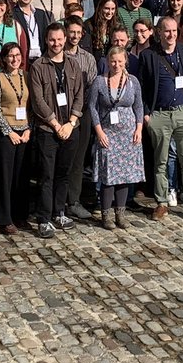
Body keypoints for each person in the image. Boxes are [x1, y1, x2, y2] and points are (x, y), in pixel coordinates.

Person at [139, 16, 183, 222]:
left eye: (174, 31)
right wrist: (147, 115)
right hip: (159, 114)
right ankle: (162, 202)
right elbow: (141, 87)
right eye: (167, 31)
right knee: (160, 161)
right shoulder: (148, 55)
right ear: (159, 32)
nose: (171, 35)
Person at [29, 22, 86, 238]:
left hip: (71, 128)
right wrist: (56, 124)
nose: (56, 43)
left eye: (59, 39)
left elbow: (80, 95)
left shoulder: (73, 65)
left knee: (64, 173)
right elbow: (38, 100)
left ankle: (59, 211)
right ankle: (43, 218)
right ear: (46, 40)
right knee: (47, 174)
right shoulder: (38, 67)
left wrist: (71, 123)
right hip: (48, 129)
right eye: (52, 39)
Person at [88, 45, 146, 230]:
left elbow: (138, 106)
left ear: (125, 61)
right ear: (107, 61)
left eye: (120, 61)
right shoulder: (99, 81)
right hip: (107, 134)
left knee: (125, 176)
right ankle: (106, 215)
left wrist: (139, 129)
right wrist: (99, 131)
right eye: (113, 61)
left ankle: (120, 214)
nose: (116, 64)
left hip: (128, 135)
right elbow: (92, 108)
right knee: (108, 176)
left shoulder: (133, 81)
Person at [0, 43, 31, 234]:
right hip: (6, 133)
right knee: (5, 177)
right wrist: (9, 131)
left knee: (22, 177)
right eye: (10, 56)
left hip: (25, 132)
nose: (15, 59)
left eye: (17, 55)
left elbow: (31, 105)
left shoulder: (26, 76)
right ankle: (4, 218)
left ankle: (20, 215)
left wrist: (28, 128)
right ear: (4, 59)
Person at [63, 16, 98, 219]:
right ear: (66, 31)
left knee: (78, 158)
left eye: (78, 33)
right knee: (61, 159)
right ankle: (58, 202)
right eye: (72, 32)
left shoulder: (88, 58)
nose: (75, 36)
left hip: (82, 113)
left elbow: (92, 87)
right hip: (62, 113)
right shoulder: (57, 55)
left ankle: (73, 201)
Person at [13, 0, 52, 65]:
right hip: (23, 61)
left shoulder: (40, 14)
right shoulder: (12, 15)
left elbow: (46, 35)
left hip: (41, 60)